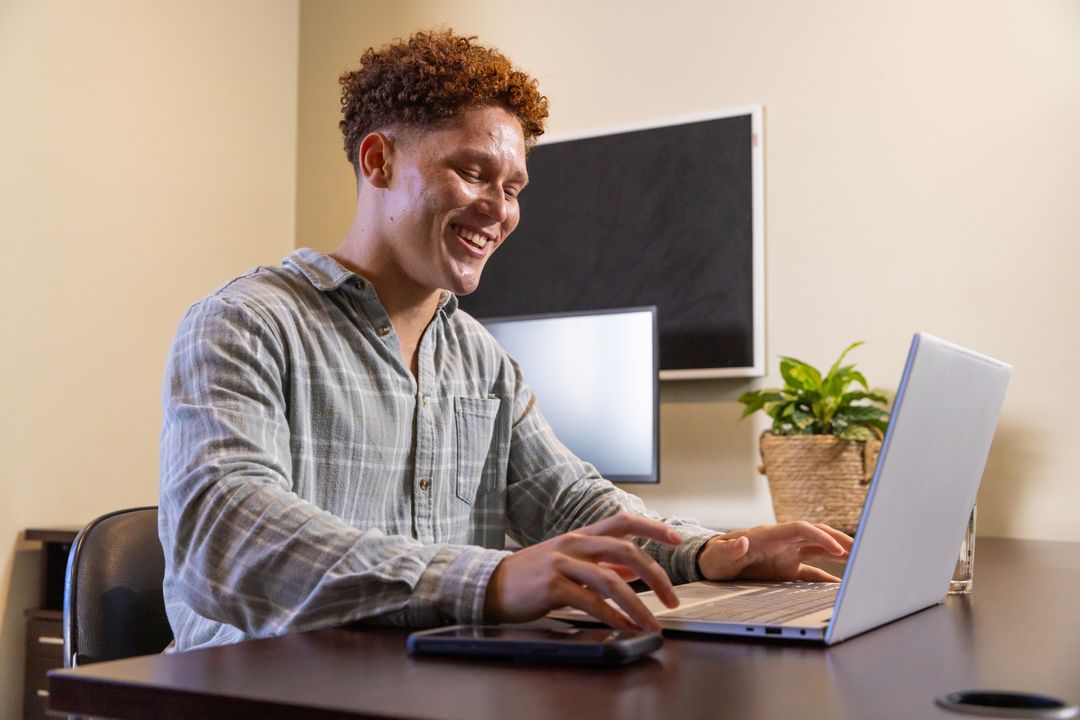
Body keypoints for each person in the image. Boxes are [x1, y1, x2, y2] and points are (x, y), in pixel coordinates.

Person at [159, 29, 852, 651]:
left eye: (513, 187)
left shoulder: (478, 357)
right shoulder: (245, 322)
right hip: (256, 687)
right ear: (377, 161)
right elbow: (225, 534)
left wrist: (710, 552)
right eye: (472, 173)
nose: (499, 210)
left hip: (421, 683)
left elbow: (572, 502)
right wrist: (489, 581)